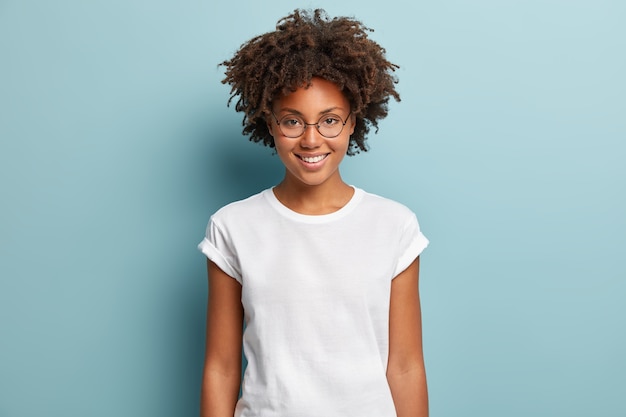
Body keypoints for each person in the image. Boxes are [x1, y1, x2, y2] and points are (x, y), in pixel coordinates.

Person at [198, 9, 429, 417]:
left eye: (329, 121)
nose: (310, 140)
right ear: (268, 123)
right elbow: (221, 367)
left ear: (353, 122)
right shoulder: (232, 227)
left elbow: (406, 366)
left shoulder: (394, 225)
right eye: (292, 121)